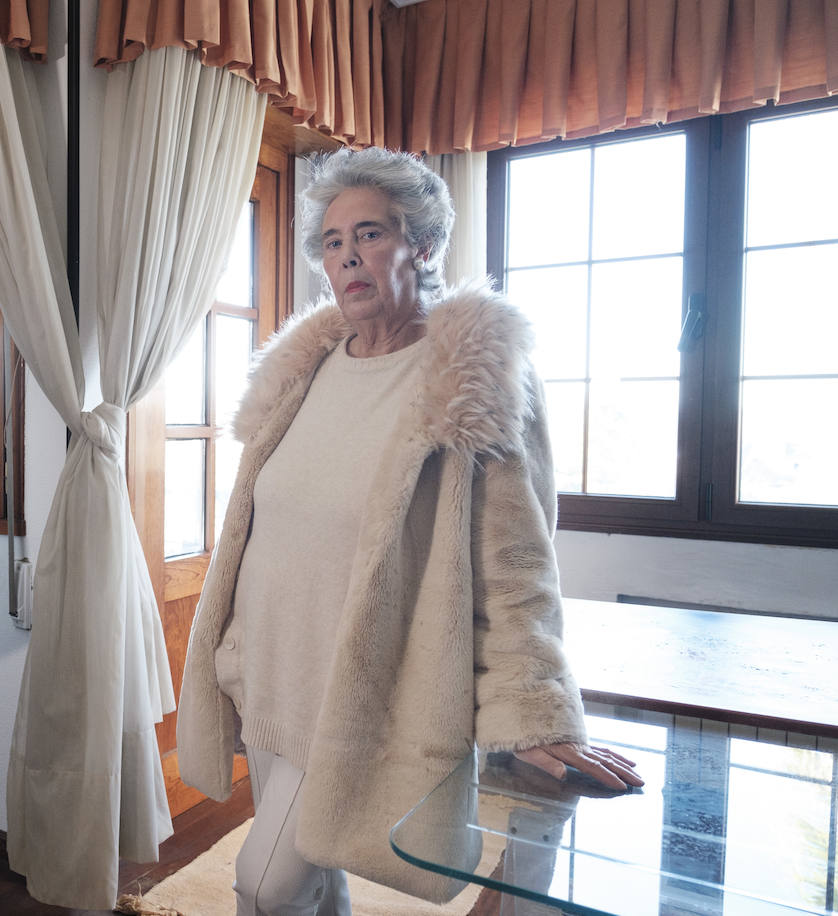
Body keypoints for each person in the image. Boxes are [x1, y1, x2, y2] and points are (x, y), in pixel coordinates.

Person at [175, 147, 643, 916]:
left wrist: (535, 710)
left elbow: (519, 561)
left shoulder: (469, 376)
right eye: (332, 241)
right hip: (266, 668)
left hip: (356, 692)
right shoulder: (305, 369)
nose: (348, 257)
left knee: (265, 886)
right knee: (314, 875)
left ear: (421, 245)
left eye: (370, 234)